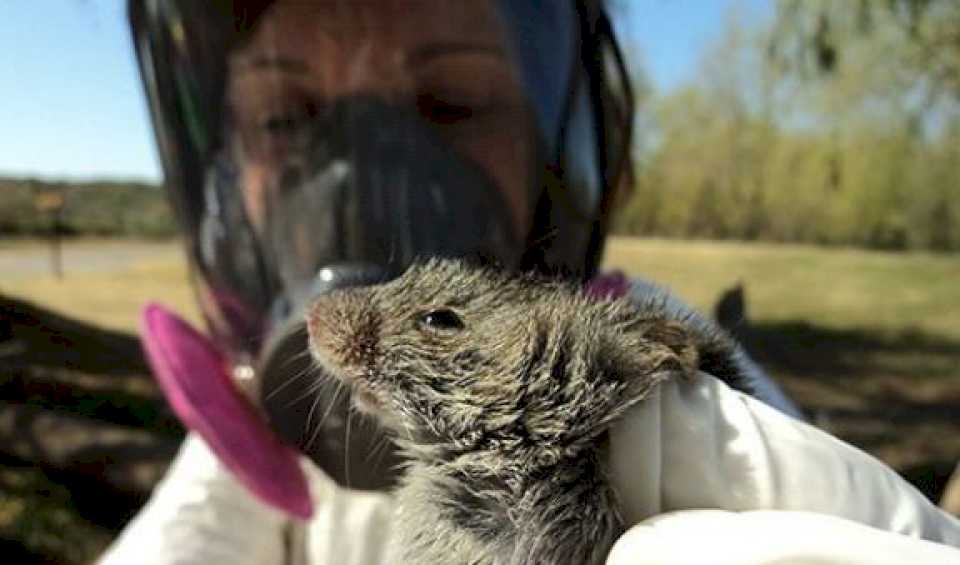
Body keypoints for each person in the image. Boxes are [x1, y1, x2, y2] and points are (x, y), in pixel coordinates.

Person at [101, 1, 960, 563]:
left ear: (576, 154)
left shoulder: (646, 378)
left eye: (453, 103)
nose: (358, 178)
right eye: (287, 118)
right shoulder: (237, 467)